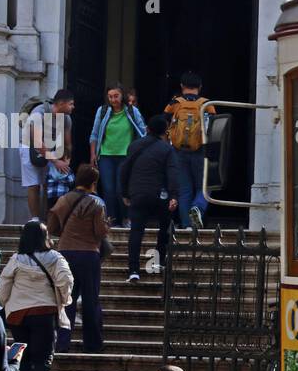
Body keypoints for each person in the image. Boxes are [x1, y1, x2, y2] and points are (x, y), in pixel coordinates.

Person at [0, 220, 72, 371]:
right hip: (44, 312)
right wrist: (65, 299)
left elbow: (4, 284)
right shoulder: (55, 258)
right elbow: (65, 280)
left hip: (18, 315)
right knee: (43, 356)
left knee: (25, 355)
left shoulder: (16, 258)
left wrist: (4, 303)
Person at [48, 165, 109, 353]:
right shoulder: (97, 203)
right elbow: (99, 232)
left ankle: (62, 342)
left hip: (65, 253)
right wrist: (107, 226)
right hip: (89, 254)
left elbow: (52, 227)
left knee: (67, 299)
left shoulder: (63, 200)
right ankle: (92, 344)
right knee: (90, 300)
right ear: (93, 183)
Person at [120, 114, 181, 283]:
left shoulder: (134, 146)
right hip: (160, 195)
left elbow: (125, 170)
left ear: (147, 129)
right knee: (165, 227)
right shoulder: (167, 149)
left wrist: (125, 193)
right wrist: (174, 195)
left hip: (137, 193)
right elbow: (173, 173)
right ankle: (157, 262)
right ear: (165, 132)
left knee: (136, 231)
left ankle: (133, 270)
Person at [163, 71, 216, 230]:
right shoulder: (207, 104)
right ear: (200, 87)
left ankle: (186, 224)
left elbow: (164, 123)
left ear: (182, 86)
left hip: (178, 151)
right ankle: (198, 207)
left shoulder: (174, 103)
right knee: (205, 186)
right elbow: (213, 129)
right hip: (201, 151)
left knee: (184, 189)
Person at [89, 83, 146, 228]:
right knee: (108, 190)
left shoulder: (132, 111)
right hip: (106, 156)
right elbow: (94, 134)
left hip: (126, 157)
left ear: (123, 96)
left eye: (116, 96)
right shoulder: (102, 111)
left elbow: (142, 132)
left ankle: (126, 218)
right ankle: (112, 220)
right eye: (110, 97)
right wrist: (93, 154)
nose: (113, 100)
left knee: (122, 190)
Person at [20, 90, 74, 220]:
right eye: (71, 104)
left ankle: (48, 218)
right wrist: (56, 162)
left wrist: (67, 160)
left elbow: (68, 144)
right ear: (61, 103)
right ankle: (35, 219)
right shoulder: (39, 113)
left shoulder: (66, 118)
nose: (73, 107)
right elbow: (37, 143)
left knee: (48, 184)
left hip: (51, 148)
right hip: (29, 147)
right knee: (33, 184)